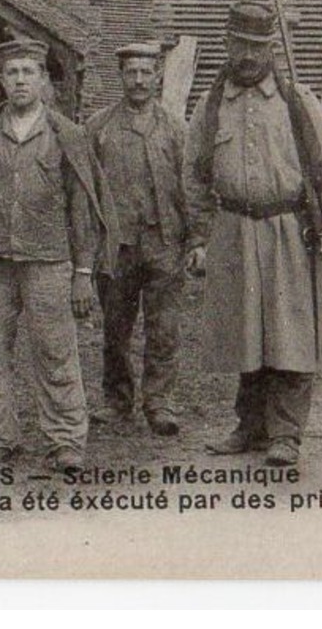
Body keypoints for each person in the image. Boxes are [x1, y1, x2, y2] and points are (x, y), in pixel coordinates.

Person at [0, 37, 116, 470]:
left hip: (49, 260)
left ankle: (66, 440)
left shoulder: (66, 135)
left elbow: (82, 207)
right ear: (1, 80)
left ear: (43, 80)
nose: (20, 80)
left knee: (56, 351)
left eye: (28, 72)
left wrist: (83, 271)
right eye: (12, 73)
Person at [186, 2, 322, 468]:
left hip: (288, 231)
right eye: (239, 45)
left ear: (271, 49)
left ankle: (286, 433)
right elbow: (193, 174)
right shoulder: (211, 103)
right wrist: (198, 236)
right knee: (245, 333)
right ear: (226, 45)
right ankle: (250, 426)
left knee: (291, 334)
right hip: (233, 230)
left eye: (256, 47)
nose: (247, 56)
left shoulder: (297, 101)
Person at [85, 42, 194, 437]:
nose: (138, 80)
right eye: (131, 72)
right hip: (117, 246)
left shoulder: (176, 128)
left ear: (158, 76)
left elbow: (192, 188)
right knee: (116, 328)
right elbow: (85, 190)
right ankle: (116, 400)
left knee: (164, 327)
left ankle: (159, 402)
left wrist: (196, 239)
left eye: (146, 72)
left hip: (165, 242)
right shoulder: (99, 127)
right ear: (121, 76)